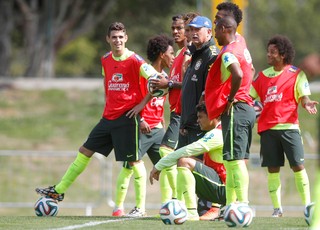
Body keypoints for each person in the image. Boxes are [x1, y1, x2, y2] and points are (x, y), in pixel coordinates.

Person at [35, 22, 158, 204]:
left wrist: (142, 106)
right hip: (108, 118)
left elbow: (158, 80)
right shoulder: (105, 59)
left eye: (120, 37)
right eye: (114, 37)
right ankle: (58, 191)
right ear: (108, 39)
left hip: (128, 118)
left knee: (134, 162)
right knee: (84, 151)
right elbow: (107, 85)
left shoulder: (136, 60)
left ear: (126, 38)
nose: (117, 40)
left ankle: (140, 207)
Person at [250, 35, 318, 217]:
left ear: (282, 54)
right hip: (267, 129)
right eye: (268, 51)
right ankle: (277, 209)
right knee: (273, 169)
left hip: (289, 128)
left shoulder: (297, 74)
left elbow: (304, 98)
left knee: (298, 166)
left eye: (273, 52)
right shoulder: (262, 76)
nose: (268, 55)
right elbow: (250, 98)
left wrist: (308, 103)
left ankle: (307, 206)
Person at [112, 34, 175, 217]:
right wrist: (140, 120)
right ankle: (122, 208)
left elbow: (159, 101)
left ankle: (168, 206)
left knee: (164, 167)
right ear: (162, 54)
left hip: (157, 129)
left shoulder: (164, 77)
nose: (173, 57)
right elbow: (133, 97)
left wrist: (162, 118)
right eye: (171, 53)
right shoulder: (143, 72)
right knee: (129, 167)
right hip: (141, 127)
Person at [205, 17, 256, 207]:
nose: (215, 33)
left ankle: (242, 205)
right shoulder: (240, 43)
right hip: (245, 108)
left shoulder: (228, 52)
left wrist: (230, 98)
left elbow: (238, 74)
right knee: (232, 160)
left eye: (216, 29)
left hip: (237, 108)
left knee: (234, 160)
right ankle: (231, 204)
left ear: (225, 29)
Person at [149, 103, 226, 221]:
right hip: (221, 188)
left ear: (212, 116)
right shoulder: (219, 131)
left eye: (200, 117)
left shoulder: (217, 134)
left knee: (184, 161)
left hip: (224, 189)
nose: (198, 120)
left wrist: (159, 165)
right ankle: (180, 206)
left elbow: (187, 150)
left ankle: (190, 212)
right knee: (182, 161)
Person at [178, 15, 219, 218]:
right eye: (191, 29)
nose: (193, 33)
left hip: (201, 123)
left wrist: (197, 119)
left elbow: (208, 92)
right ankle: (188, 207)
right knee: (185, 165)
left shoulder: (211, 55)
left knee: (200, 167)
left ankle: (209, 208)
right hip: (189, 122)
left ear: (209, 32)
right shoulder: (196, 52)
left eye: (198, 29)